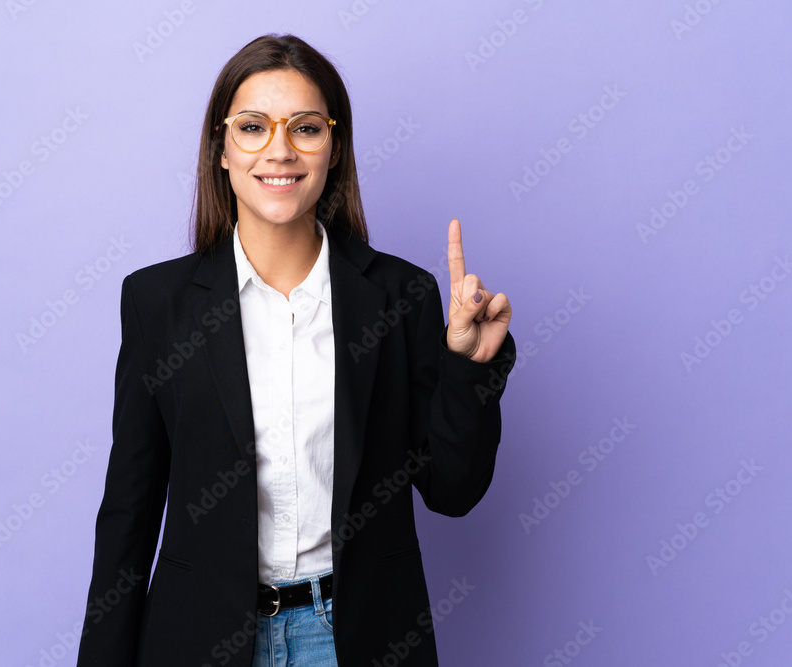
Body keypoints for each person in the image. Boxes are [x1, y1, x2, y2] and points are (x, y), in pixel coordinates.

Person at [75, 33, 516, 667]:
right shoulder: (157, 304)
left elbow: (453, 491)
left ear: (334, 149)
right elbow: (129, 513)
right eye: (253, 127)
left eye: (306, 128)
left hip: (353, 638)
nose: (279, 150)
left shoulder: (401, 297)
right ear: (221, 149)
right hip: (200, 640)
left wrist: (470, 367)